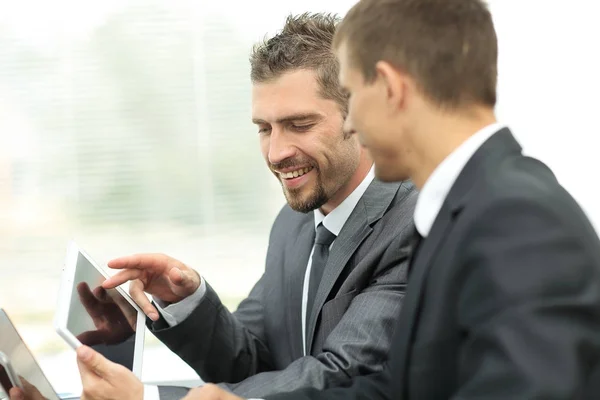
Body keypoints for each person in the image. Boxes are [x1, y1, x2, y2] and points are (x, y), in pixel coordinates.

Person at [178, 0, 600, 398]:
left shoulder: (516, 218)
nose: (355, 122)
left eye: (355, 94)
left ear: (392, 89)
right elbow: (396, 390)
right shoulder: (466, 210)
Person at [71, 12, 418, 400]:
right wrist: (186, 299)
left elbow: (342, 375)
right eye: (265, 128)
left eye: (299, 125)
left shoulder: (414, 226)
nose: (276, 153)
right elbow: (252, 363)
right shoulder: (292, 224)